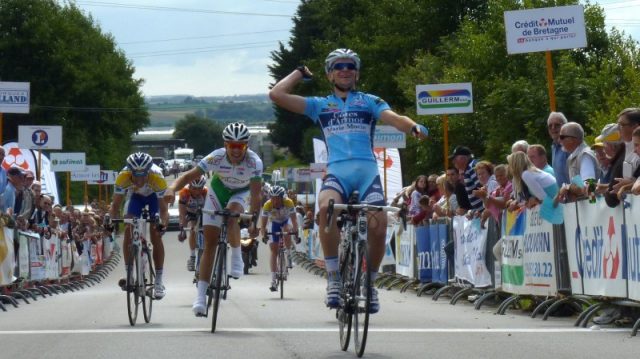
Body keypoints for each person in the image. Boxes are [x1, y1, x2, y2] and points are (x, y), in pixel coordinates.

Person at [269, 48, 428, 312]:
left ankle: (370, 284)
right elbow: (276, 95)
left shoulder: (369, 101)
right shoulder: (319, 105)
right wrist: (299, 72)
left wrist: (412, 127)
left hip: (367, 172)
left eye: (350, 66)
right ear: (329, 74)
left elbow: (395, 118)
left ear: (357, 73)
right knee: (325, 209)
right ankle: (333, 277)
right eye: (338, 66)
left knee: (378, 227)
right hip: (337, 173)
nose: (345, 70)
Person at [164, 122, 263, 316]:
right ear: (225, 145)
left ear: (247, 146)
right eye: (231, 146)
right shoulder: (216, 156)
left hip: (240, 193)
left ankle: (236, 257)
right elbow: (187, 177)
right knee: (210, 244)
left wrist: (253, 220)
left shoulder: (254, 162)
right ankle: (200, 297)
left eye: (240, 146)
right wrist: (172, 189)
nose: (235, 150)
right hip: (217, 192)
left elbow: (256, 195)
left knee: (232, 214)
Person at [109, 152, 169, 299]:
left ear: (149, 171)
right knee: (128, 229)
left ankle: (159, 281)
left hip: (154, 198)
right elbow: (115, 205)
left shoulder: (158, 177)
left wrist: (163, 224)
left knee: (156, 235)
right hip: (135, 198)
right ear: (130, 171)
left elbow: (163, 209)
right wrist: (110, 222)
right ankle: (129, 274)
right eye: (135, 175)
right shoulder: (123, 177)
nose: (139, 179)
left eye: (143, 175)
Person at [260, 185, 299, 292]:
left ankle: (289, 254)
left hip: (286, 221)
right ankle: (273, 280)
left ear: (282, 198)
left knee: (287, 230)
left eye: (277, 198)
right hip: (274, 223)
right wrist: (264, 235)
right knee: (274, 250)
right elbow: (263, 225)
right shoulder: (267, 205)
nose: (275, 201)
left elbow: (294, 221)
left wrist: (296, 234)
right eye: (272, 198)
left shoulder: (289, 202)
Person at [507, 151, 563, 224]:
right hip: (557, 202)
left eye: (510, 164)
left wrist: (534, 201)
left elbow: (543, 198)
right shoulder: (529, 172)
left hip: (559, 204)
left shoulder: (526, 174)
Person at [556, 122, 599, 201]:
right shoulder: (572, 158)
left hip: (593, 208)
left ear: (573, 139)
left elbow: (589, 188)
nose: (559, 140)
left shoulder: (585, 155)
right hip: (585, 208)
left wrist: (567, 187)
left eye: (562, 137)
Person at [177, 175, 208, 271]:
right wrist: (182, 228)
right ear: (190, 186)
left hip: (204, 213)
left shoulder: (207, 192)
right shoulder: (184, 193)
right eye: (194, 189)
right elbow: (182, 213)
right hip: (190, 213)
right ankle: (192, 257)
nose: (197, 192)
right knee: (193, 230)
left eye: (200, 189)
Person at [450, 146, 483, 216]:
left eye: (455, 158)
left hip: (486, 212)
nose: (453, 161)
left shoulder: (473, 167)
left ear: (464, 158)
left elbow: (483, 188)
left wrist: (484, 209)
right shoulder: (469, 168)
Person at [547, 112, 570, 187]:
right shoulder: (554, 147)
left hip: (580, 196)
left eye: (557, 125)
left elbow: (588, 180)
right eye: (550, 126)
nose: (553, 128)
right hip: (566, 196)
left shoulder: (570, 146)